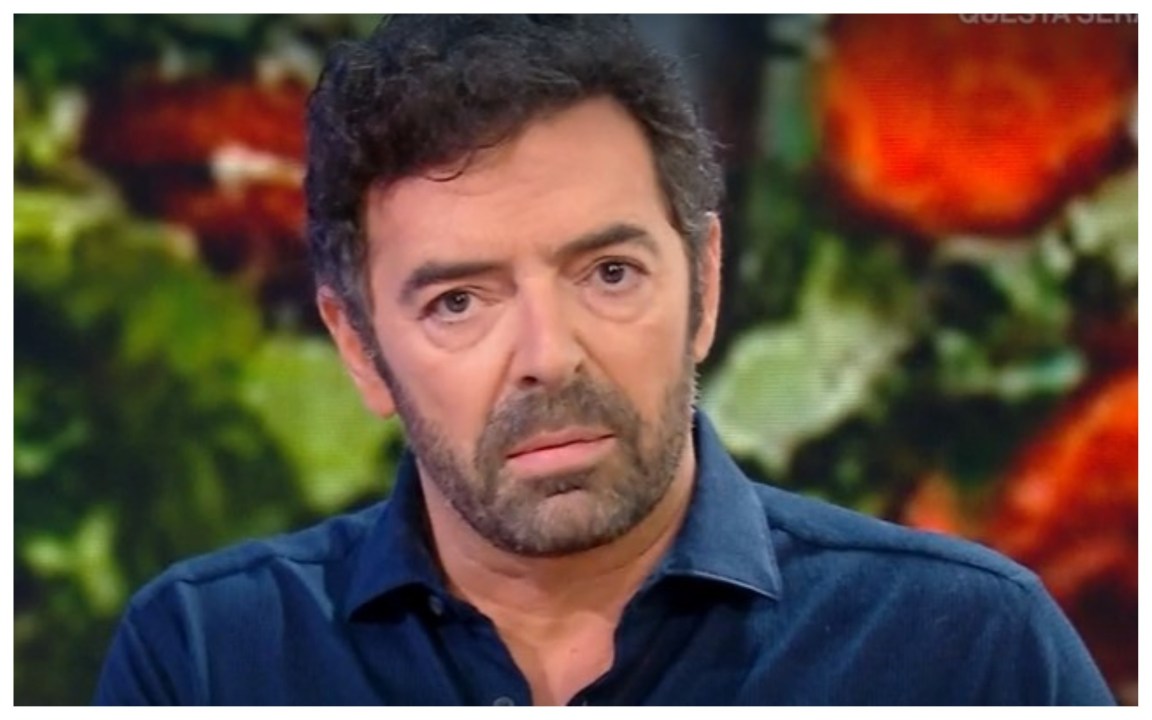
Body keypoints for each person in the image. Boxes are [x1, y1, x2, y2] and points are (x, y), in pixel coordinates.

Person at [94, 15, 1113, 705]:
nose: (550, 356)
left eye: (609, 274)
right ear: (359, 347)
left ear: (704, 283)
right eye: (459, 302)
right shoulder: (209, 657)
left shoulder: (965, 648)